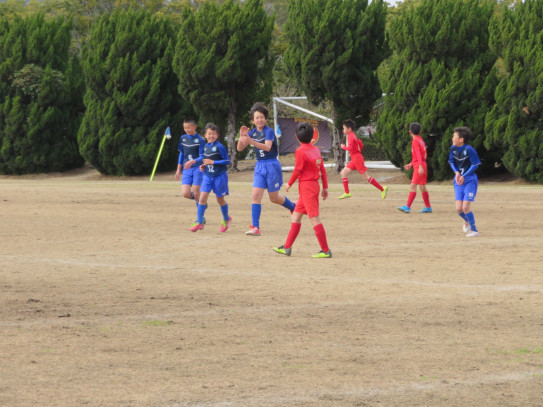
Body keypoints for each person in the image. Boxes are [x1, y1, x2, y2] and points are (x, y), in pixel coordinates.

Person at [273, 122, 332, 258]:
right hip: (313, 186)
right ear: (312, 136)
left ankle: (326, 250)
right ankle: (287, 247)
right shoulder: (316, 150)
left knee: (314, 219)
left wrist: (289, 183)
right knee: (296, 216)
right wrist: (325, 187)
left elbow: (298, 170)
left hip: (307, 188)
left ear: (296, 137)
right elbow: (322, 169)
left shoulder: (300, 151)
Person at [237, 102, 296, 236]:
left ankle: (293, 207)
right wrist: (242, 138)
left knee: (273, 198)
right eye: (257, 118)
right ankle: (255, 227)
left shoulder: (268, 131)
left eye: (261, 117)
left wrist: (250, 141)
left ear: (265, 118)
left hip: (272, 166)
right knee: (255, 196)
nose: (259, 120)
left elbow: (267, 147)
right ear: (253, 120)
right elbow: (239, 149)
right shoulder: (251, 132)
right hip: (260, 166)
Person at [189, 123, 232, 233]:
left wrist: (213, 162)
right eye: (209, 134)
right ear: (205, 135)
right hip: (207, 176)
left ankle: (226, 219)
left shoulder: (220, 147)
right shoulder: (204, 147)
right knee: (202, 198)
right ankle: (199, 222)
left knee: (220, 199)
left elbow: (227, 161)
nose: (211, 136)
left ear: (217, 135)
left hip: (219, 177)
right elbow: (204, 159)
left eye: (213, 134)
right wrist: (203, 165)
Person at [338, 119, 388, 200]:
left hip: (357, 159)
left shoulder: (350, 136)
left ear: (349, 128)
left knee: (365, 177)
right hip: (355, 158)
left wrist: (343, 147)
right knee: (343, 173)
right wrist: (354, 153)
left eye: (344, 128)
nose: (343, 130)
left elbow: (351, 147)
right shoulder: (352, 135)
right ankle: (347, 193)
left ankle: (382, 189)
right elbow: (360, 144)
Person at [448, 126, 481, 237]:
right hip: (458, 181)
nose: (452, 138)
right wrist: (457, 173)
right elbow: (451, 162)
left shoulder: (470, 150)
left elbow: (475, 165)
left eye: (454, 136)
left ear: (461, 139)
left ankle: (474, 230)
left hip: (469, 181)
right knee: (459, 209)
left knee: (465, 207)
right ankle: (467, 220)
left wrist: (464, 175)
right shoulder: (453, 148)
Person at [175, 118, 206, 226]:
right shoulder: (182, 138)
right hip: (187, 168)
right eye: (185, 128)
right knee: (185, 193)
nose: (187, 130)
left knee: (197, 191)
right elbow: (181, 154)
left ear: (194, 127)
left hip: (197, 168)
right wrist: (178, 169)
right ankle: (201, 202)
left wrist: (193, 161)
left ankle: (200, 218)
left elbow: (202, 156)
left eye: (189, 127)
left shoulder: (200, 140)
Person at [397, 122, 432, 214]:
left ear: (409, 132)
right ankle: (428, 207)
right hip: (422, 164)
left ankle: (407, 206)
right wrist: (411, 164)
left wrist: (419, 166)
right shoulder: (420, 140)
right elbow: (420, 155)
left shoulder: (415, 141)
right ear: (420, 132)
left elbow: (418, 155)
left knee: (413, 186)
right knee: (422, 187)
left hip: (419, 166)